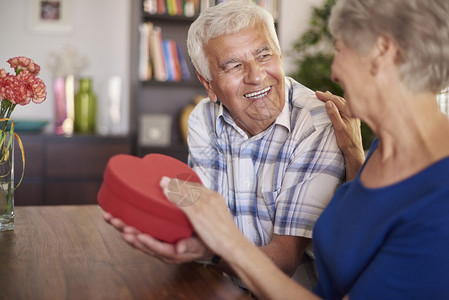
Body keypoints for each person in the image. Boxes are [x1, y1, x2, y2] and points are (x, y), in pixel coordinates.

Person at [159, 0, 449, 298]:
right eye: (233, 65)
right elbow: (363, 240)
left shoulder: (439, 197)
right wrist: (354, 156)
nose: (333, 73)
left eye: (339, 49)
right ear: (208, 84)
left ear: (383, 52)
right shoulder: (381, 149)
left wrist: (221, 245)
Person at [104, 0, 347, 290]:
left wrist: (210, 252)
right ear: (209, 85)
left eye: (264, 54)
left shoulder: (316, 123)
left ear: (280, 55)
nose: (256, 75)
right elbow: (201, 215)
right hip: (218, 283)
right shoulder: (202, 120)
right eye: (233, 65)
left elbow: (285, 259)